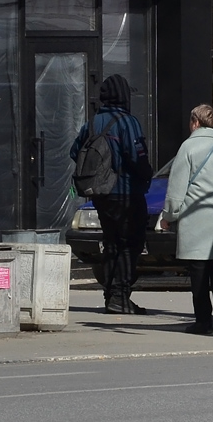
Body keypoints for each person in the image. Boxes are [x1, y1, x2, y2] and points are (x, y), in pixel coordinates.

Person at [69, 74, 153, 315]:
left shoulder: (93, 123)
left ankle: (112, 296)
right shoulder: (128, 122)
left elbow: (75, 151)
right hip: (126, 193)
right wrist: (145, 174)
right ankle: (120, 296)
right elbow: (138, 159)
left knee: (112, 242)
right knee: (131, 244)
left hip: (102, 194)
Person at [161, 104, 213, 334]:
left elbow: (177, 189)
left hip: (196, 220)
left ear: (195, 122)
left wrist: (169, 216)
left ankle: (202, 321)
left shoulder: (187, 148)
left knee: (198, 275)